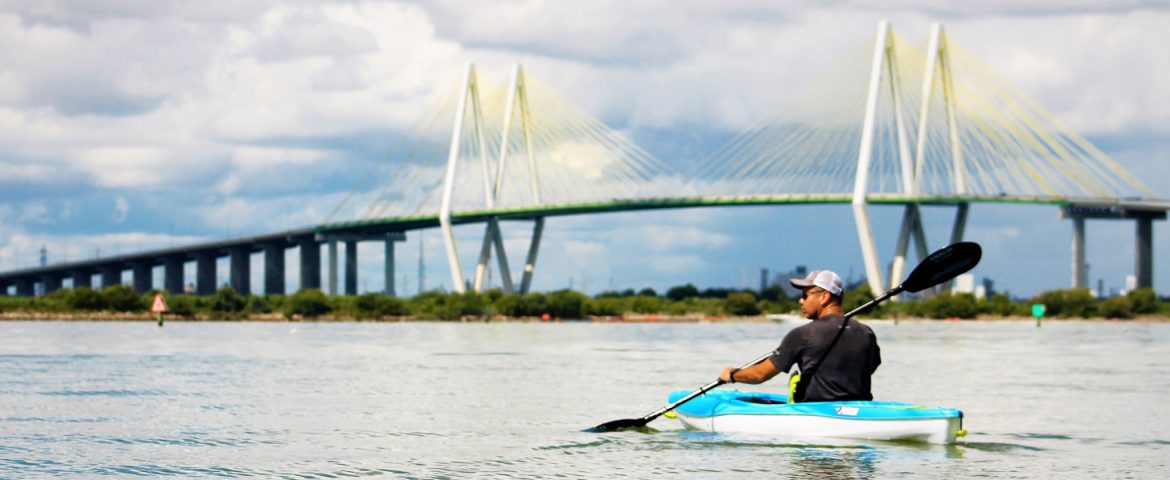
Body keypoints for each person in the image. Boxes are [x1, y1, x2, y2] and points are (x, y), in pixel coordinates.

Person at [718, 270, 881, 402]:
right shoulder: (866, 333)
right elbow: (870, 367)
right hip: (861, 410)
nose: (800, 301)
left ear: (824, 297)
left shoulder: (803, 334)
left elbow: (760, 375)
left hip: (816, 416)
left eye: (805, 296)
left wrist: (732, 375)